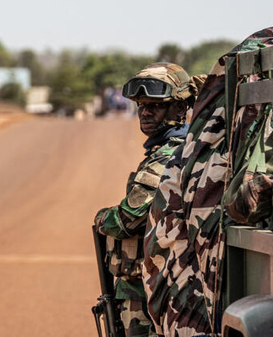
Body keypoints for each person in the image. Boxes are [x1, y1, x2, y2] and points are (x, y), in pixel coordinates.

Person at [94, 63, 200, 337]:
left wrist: (102, 218)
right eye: (141, 105)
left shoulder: (169, 155)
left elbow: (127, 219)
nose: (145, 112)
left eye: (156, 105)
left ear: (180, 108)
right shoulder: (174, 148)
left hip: (155, 288)